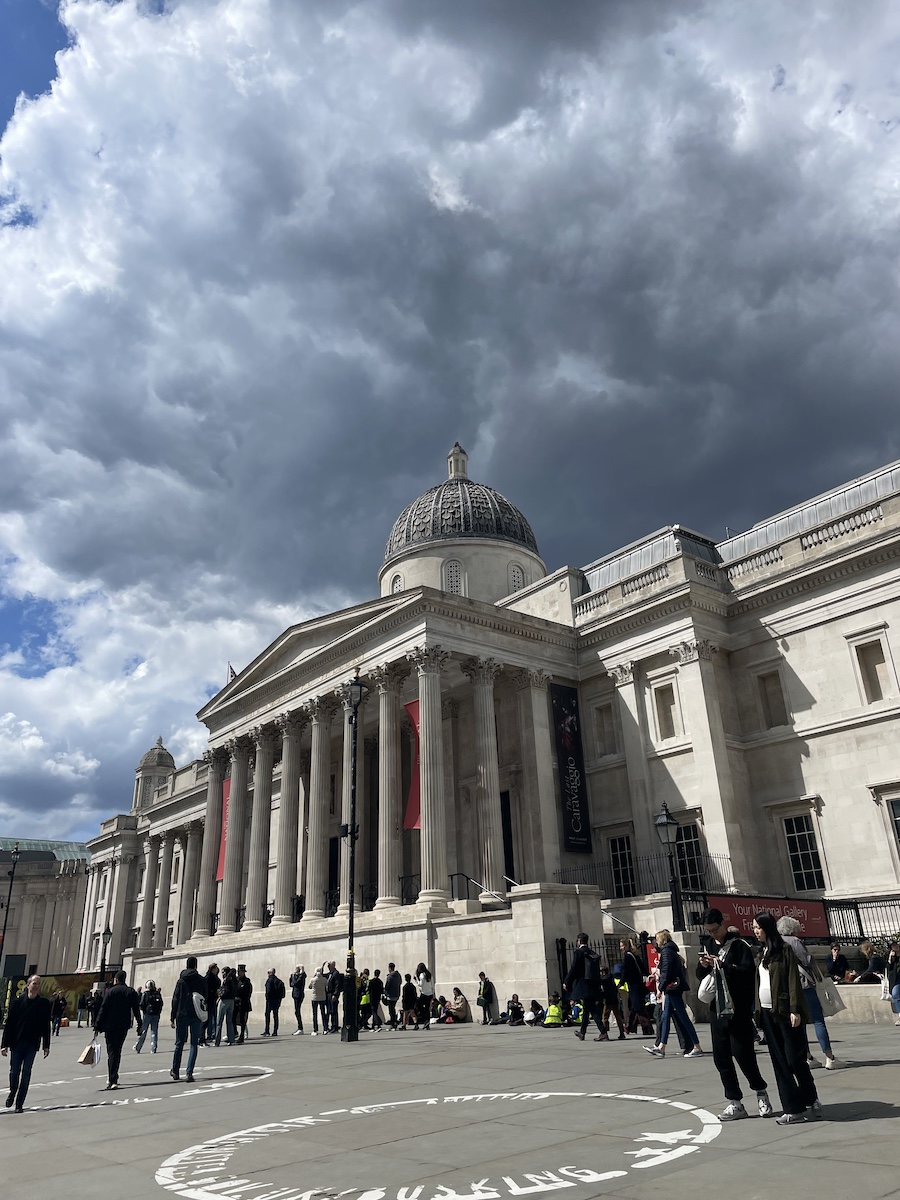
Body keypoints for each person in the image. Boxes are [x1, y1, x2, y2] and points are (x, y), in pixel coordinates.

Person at [696, 907, 773, 1121]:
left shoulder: (740, 945)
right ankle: (735, 1102)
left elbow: (748, 973)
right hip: (717, 1010)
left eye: (714, 930)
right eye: (708, 931)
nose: (713, 934)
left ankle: (760, 1092)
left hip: (737, 1009)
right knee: (721, 1058)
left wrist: (724, 966)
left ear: (722, 924)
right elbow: (699, 975)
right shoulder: (708, 945)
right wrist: (703, 966)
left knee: (744, 1055)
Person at [752, 911, 821, 1124]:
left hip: (785, 1011)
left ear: (767, 928)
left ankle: (810, 1096)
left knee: (794, 1058)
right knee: (780, 1061)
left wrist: (794, 1009)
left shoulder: (784, 950)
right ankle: (793, 1108)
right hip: (766, 1012)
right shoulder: (761, 952)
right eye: (753, 927)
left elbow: (792, 979)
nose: (755, 931)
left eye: (757, 927)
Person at [776, 916, 839, 1070]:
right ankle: (829, 1057)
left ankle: (807, 1056)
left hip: (788, 987)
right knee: (818, 1020)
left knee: (800, 1023)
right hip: (804, 985)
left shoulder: (776, 942)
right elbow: (807, 961)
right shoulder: (795, 942)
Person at [645, 930, 702, 1059]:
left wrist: (661, 987)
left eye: (657, 939)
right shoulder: (671, 951)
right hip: (672, 988)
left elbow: (667, 971)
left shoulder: (666, 952)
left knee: (683, 1017)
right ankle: (661, 1046)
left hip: (672, 988)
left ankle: (696, 1046)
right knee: (665, 1017)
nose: (656, 942)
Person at [2, 975, 52, 1113]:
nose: (36, 986)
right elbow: (9, 1025)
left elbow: (46, 1026)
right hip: (17, 1043)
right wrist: (4, 1044)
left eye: (38, 984)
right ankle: (13, 1092)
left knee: (26, 1073)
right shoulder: (17, 1002)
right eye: (34, 983)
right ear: (28, 985)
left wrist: (46, 1045)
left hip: (32, 1044)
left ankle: (19, 1104)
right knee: (14, 1072)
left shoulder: (43, 1004)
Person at [94, 970, 142, 1091]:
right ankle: (113, 1077)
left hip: (109, 1026)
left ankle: (112, 1078)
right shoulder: (130, 991)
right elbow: (136, 1009)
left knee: (111, 1051)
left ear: (116, 980)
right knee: (117, 1050)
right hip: (123, 1026)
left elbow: (103, 1009)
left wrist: (97, 1026)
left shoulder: (110, 992)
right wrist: (140, 1024)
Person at [170, 955, 207, 1083]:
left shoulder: (181, 981)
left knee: (179, 1043)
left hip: (182, 1014)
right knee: (194, 1044)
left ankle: (175, 1070)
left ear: (187, 965)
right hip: (196, 1014)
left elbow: (175, 998)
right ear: (195, 965)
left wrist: (172, 1016)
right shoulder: (201, 980)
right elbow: (205, 997)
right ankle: (189, 1072)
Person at [564, 933, 605, 1042]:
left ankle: (603, 1032)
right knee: (587, 1009)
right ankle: (582, 1032)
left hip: (584, 985)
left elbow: (574, 968)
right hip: (592, 984)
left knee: (592, 1010)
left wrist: (567, 981)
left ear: (579, 941)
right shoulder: (591, 952)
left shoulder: (579, 952)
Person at [619, 939, 654, 1034]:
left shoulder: (627, 956)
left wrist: (621, 982)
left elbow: (625, 971)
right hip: (639, 984)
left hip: (634, 985)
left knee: (638, 1007)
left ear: (626, 946)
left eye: (622, 946)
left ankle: (647, 1028)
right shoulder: (635, 955)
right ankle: (630, 1027)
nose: (621, 948)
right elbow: (643, 968)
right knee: (635, 1006)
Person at [135, 980, 163, 1054]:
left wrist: (144, 1011)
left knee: (143, 1031)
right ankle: (153, 1048)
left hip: (147, 1015)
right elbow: (161, 1004)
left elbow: (141, 1004)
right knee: (154, 1032)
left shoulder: (145, 994)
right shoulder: (157, 994)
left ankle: (138, 1047)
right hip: (156, 1015)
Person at [599, 966, 625, 1039]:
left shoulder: (604, 979)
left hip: (608, 1000)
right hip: (614, 999)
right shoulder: (611, 977)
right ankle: (622, 1033)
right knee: (618, 1016)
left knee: (605, 1017)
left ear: (603, 972)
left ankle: (605, 1033)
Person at [215, 966, 237, 1046]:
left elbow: (225, 991)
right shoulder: (234, 979)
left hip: (225, 1001)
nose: (222, 974)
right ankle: (231, 1039)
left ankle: (217, 1041)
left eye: (223, 972)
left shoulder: (227, 979)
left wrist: (220, 996)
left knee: (219, 1021)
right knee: (229, 1021)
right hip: (232, 1001)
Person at [263, 968, 286, 1036]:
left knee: (267, 1015)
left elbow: (268, 990)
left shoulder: (269, 980)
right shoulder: (279, 981)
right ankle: (275, 1031)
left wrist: (267, 997)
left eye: (268, 972)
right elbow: (283, 992)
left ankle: (267, 1031)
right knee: (275, 1015)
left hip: (270, 1000)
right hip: (277, 1000)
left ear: (271, 973)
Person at [234, 964, 253, 1043]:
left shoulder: (247, 981)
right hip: (236, 1003)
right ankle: (234, 1033)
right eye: (238, 972)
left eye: (241, 972)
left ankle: (242, 1035)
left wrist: (241, 997)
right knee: (233, 1019)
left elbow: (248, 992)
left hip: (243, 1003)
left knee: (242, 1020)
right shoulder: (236, 980)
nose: (239, 973)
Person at [203, 963, 220, 1044]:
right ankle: (210, 1034)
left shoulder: (212, 978)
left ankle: (211, 1034)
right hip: (210, 1000)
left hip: (212, 1000)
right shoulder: (209, 978)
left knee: (212, 1018)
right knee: (210, 1018)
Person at [415, 963, 434, 1030]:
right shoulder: (429, 974)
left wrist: (416, 980)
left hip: (424, 994)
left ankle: (424, 1018)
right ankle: (427, 1022)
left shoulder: (422, 975)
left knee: (418, 1005)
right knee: (427, 1008)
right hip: (430, 993)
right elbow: (432, 985)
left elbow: (420, 985)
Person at [309, 967, 328, 1034]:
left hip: (314, 998)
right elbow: (327, 985)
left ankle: (315, 1029)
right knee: (323, 1013)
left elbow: (310, 986)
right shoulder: (324, 979)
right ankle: (325, 1028)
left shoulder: (313, 980)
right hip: (322, 998)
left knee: (315, 1014)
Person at [325, 962, 343, 1032]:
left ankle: (335, 1026)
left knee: (334, 1011)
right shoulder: (329, 974)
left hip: (333, 994)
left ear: (333, 965)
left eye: (329, 966)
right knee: (330, 1010)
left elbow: (337, 985)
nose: (328, 967)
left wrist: (335, 994)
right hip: (328, 994)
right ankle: (332, 1026)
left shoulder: (336, 973)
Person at [383, 962, 402, 1029]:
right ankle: (394, 1021)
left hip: (390, 995)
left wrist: (385, 992)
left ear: (390, 968)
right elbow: (400, 982)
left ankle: (393, 1022)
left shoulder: (390, 976)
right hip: (396, 994)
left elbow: (387, 986)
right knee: (393, 1008)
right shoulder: (398, 975)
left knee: (391, 1010)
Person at [886, 941, 900, 1026]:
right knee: (895, 994)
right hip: (897, 980)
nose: (895, 947)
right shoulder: (893, 958)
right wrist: (890, 960)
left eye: (896, 945)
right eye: (892, 946)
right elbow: (888, 970)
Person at [289, 965, 306, 1035]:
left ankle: (300, 1028)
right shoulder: (296, 976)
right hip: (295, 994)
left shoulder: (301, 976)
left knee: (297, 1011)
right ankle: (300, 1027)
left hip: (299, 995)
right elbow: (291, 984)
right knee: (296, 1011)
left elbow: (296, 983)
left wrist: (294, 977)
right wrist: (293, 977)